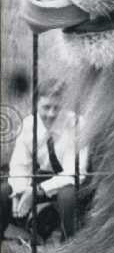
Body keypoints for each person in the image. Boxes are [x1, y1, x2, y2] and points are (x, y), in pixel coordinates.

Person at [1, 78, 89, 243]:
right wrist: (20, 192)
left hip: (73, 181)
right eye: (46, 107)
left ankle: (69, 247)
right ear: (36, 105)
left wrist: (36, 191)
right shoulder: (29, 125)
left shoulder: (77, 124)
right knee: (5, 191)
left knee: (67, 195)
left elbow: (73, 173)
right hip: (44, 177)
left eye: (57, 108)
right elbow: (19, 166)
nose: (51, 114)